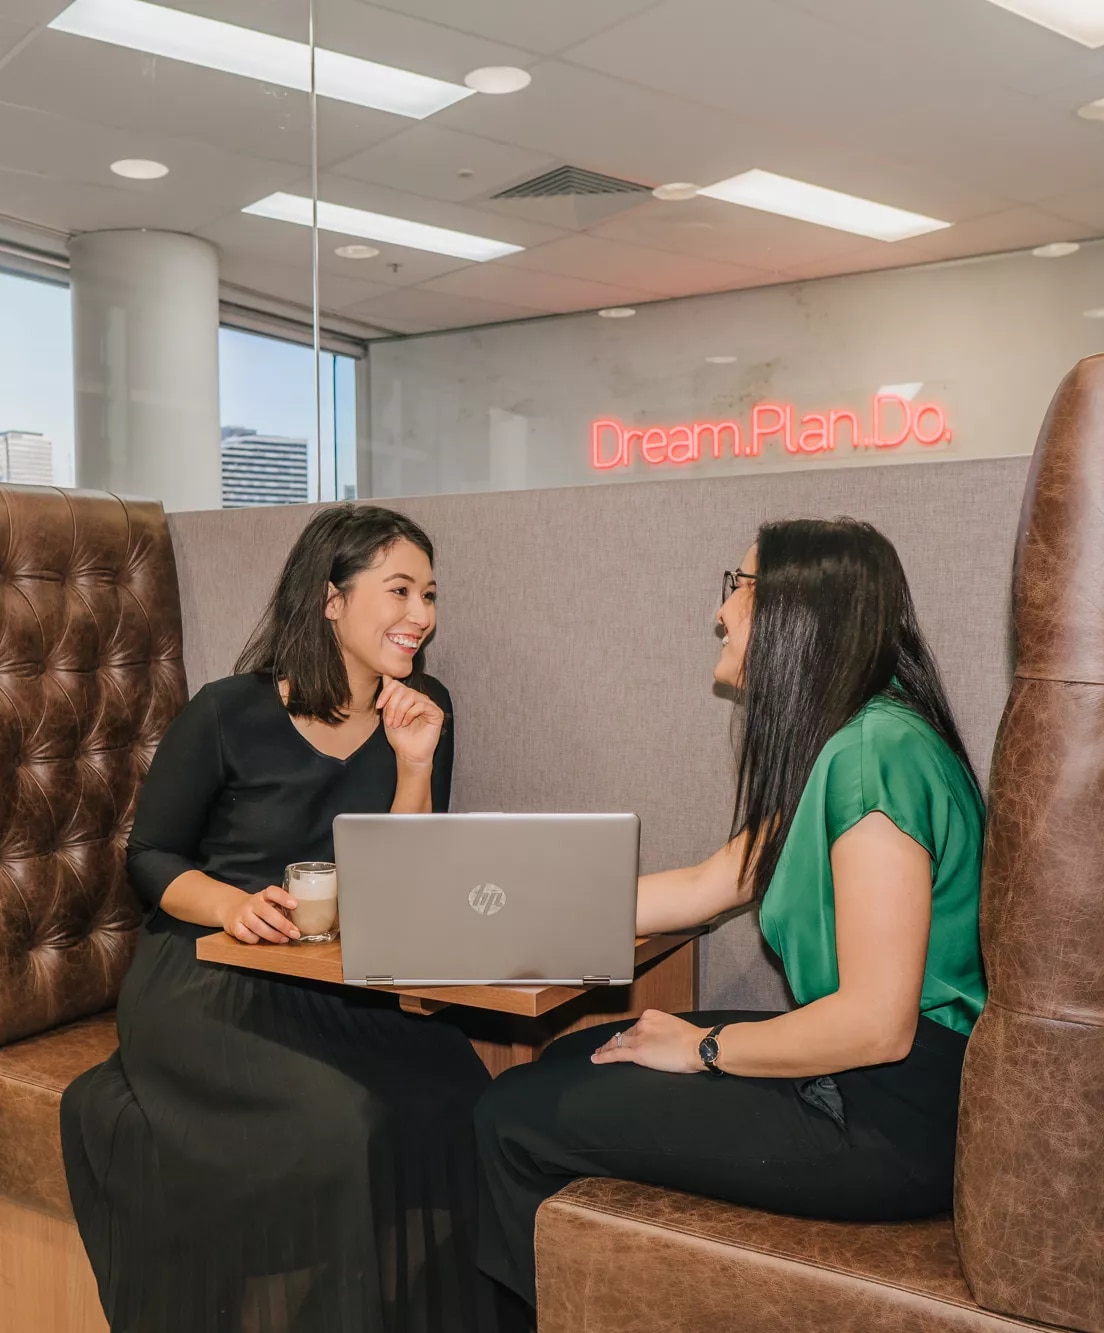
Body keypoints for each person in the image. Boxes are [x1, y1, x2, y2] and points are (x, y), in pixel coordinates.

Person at [472, 517, 988, 1315]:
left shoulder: (873, 754)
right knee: (565, 1065)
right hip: (870, 1082)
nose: (721, 612)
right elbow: (710, 883)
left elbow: (879, 1023)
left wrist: (705, 1049)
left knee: (510, 1115)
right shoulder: (846, 741)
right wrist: (507, 907)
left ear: (797, 613)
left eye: (738, 588)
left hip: (891, 1110)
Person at [61, 505, 501, 1333]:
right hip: (211, 978)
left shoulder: (424, 708)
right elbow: (150, 857)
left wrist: (415, 766)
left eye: (431, 595)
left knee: (461, 1096)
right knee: (345, 1127)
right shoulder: (230, 712)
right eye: (400, 590)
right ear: (331, 599)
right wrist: (233, 905)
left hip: (343, 982)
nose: (422, 616)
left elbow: (407, 884)